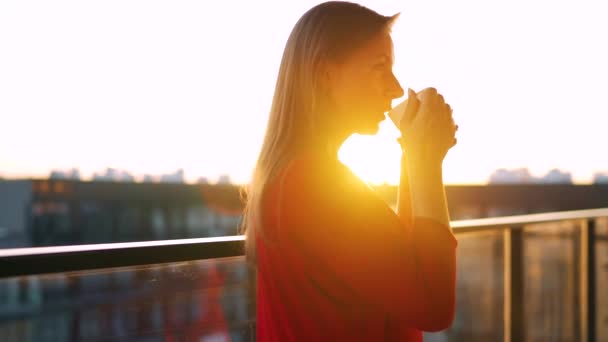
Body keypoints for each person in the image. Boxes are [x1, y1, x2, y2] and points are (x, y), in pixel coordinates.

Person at [240, 1, 459, 341]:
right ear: (325, 75)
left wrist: (411, 154)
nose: (397, 88)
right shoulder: (312, 185)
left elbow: (394, 260)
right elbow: (433, 304)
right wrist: (426, 159)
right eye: (380, 67)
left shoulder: (296, 176)